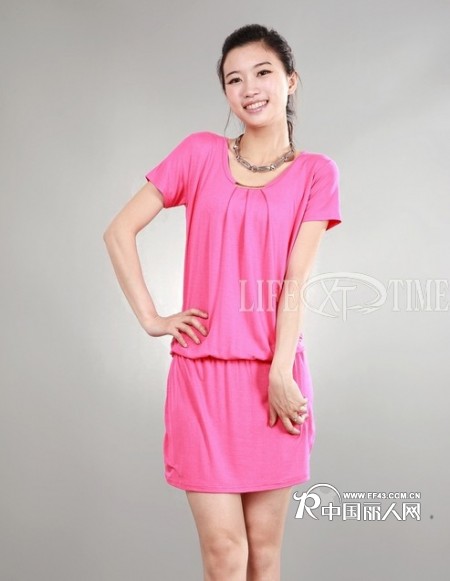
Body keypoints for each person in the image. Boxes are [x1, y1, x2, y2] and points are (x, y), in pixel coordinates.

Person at [103, 23, 342, 581]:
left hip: (273, 380)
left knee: (264, 554)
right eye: (234, 79)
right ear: (226, 93)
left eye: (262, 72)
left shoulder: (316, 173)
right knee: (224, 555)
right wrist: (152, 318)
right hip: (203, 382)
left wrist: (280, 372)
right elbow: (119, 231)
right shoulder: (199, 153)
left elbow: (296, 278)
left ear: (291, 80)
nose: (249, 88)